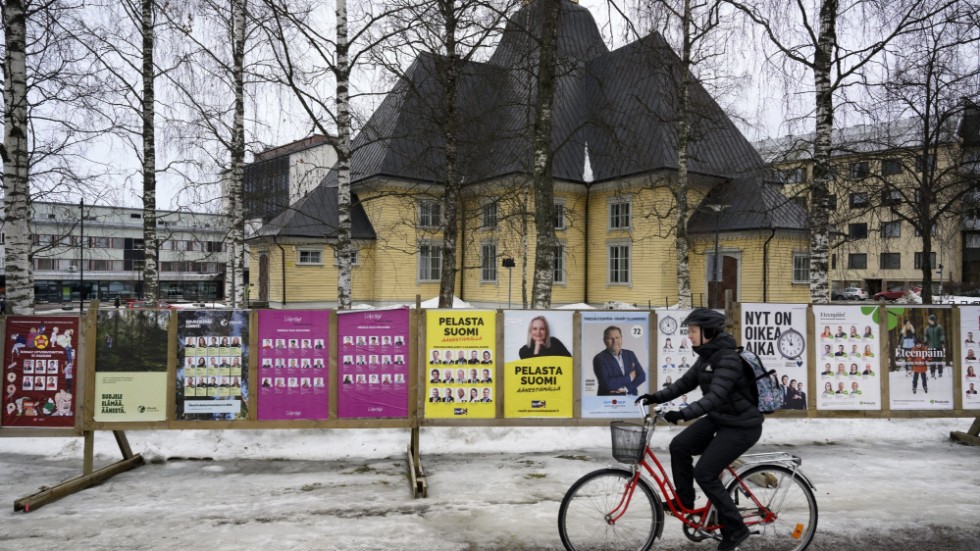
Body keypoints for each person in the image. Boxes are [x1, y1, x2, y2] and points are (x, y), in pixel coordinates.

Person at [636, 308, 761, 551]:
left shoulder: (728, 359)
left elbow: (715, 397)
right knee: (679, 446)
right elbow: (684, 383)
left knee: (705, 473)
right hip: (720, 419)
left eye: (693, 331)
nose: (689, 336)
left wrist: (683, 414)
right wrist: (654, 397)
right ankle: (685, 500)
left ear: (709, 332)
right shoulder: (706, 357)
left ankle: (736, 528)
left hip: (741, 426)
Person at [592, 326, 647, 396]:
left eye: (617, 337)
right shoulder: (599, 358)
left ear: (621, 338)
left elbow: (642, 375)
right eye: (610, 338)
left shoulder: (630, 354)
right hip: (609, 399)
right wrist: (629, 377)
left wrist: (627, 388)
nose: (614, 341)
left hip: (631, 396)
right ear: (605, 341)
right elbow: (607, 384)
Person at [924, 314, 946, 379]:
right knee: (932, 360)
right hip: (931, 346)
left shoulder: (939, 327)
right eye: (928, 320)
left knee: (939, 360)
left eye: (930, 320)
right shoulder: (927, 328)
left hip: (938, 346)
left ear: (933, 320)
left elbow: (942, 334)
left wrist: (942, 340)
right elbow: (926, 335)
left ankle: (940, 372)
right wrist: (925, 341)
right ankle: (932, 372)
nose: (929, 321)